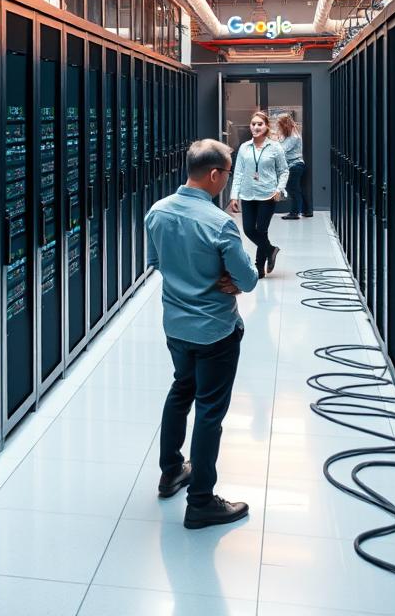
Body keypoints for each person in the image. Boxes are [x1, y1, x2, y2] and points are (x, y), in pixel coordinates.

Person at [145, 139, 259, 529]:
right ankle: (201, 501)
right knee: (210, 412)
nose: (227, 180)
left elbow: (157, 262)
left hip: (176, 326)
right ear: (214, 175)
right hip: (215, 331)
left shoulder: (157, 212)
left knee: (181, 390)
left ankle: (171, 471)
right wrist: (231, 280)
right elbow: (247, 278)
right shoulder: (219, 223)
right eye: (227, 173)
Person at [228, 112, 288, 277]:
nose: (255, 127)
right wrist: (234, 196)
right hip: (247, 194)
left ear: (267, 126)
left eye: (259, 124)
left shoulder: (275, 147)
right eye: (253, 124)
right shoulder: (244, 147)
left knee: (261, 231)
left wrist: (279, 189)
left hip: (267, 194)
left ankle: (259, 267)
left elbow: (284, 171)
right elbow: (238, 172)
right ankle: (271, 250)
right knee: (248, 229)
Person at [276, 113, 312, 219]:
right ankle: (307, 211)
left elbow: (282, 150)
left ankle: (295, 213)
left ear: (284, 124)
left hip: (295, 166)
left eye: (279, 125)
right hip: (294, 166)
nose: (278, 127)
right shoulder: (288, 135)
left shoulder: (293, 137)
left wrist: (275, 143)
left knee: (292, 189)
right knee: (296, 189)